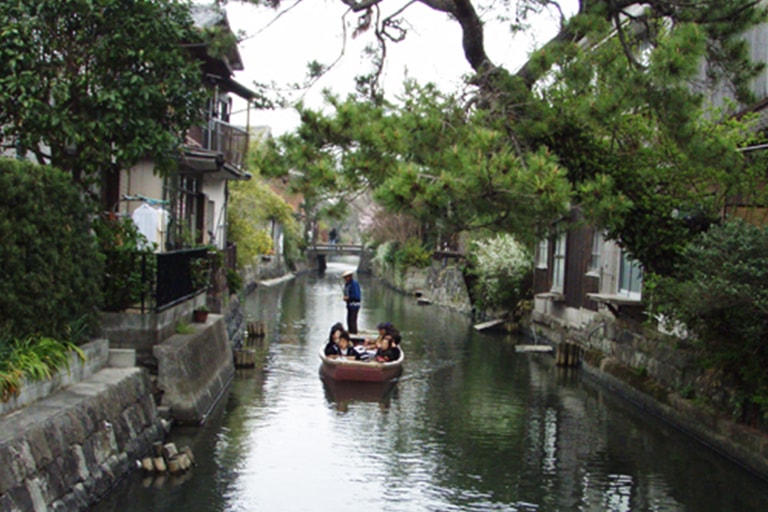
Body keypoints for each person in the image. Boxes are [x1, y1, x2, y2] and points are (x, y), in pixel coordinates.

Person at [341, 270, 361, 334]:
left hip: (355, 305)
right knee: (349, 320)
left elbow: (357, 296)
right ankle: (350, 331)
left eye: (346, 277)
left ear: (350, 277)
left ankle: (353, 333)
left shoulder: (354, 284)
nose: (345, 279)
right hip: (349, 305)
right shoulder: (347, 284)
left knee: (352, 320)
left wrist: (348, 298)